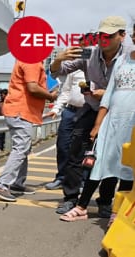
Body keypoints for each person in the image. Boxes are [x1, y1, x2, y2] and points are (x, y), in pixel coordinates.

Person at [50, 16, 131, 214]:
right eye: (101, 35)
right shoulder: (89, 53)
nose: (104, 40)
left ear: (122, 35)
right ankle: (70, 198)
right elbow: (56, 72)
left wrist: (109, 93)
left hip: (117, 112)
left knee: (113, 157)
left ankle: (105, 200)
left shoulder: (129, 56)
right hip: (92, 108)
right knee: (75, 153)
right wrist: (59, 59)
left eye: (109, 36)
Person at [0, 61, 58, 202]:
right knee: (21, 148)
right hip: (20, 111)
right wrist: (51, 96)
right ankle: (1, 185)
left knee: (23, 148)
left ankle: (17, 183)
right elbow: (32, 88)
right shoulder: (31, 61)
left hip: (19, 111)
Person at [44, 68, 86, 190]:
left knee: (84, 148)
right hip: (70, 111)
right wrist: (56, 109)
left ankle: (81, 180)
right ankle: (62, 177)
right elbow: (66, 91)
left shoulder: (99, 70)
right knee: (63, 145)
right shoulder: (75, 70)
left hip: (89, 112)